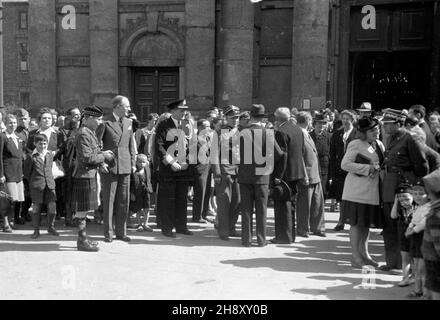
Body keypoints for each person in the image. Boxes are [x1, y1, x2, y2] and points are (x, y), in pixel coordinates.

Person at [380, 109, 429, 272]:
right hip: (389, 186)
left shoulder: (410, 139)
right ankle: (391, 262)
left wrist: (412, 186)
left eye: (388, 124)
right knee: (389, 225)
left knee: (403, 225)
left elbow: (422, 166)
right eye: (384, 124)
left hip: (403, 188)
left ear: (399, 124)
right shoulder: (392, 139)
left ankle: (404, 265)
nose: (385, 127)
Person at [341, 117, 385, 268]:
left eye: (377, 129)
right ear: (364, 132)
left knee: (365, 224)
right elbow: (345, 164)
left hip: (372, 192)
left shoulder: (379, 144)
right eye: (373, 130)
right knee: (355, 224)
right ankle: (354, 256)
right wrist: (368, 169)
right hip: (356, 191)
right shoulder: (355, 144)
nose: (376, 132)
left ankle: (365, 254)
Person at [238, 104, 283, 247]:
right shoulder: (267, 133)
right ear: (263, 118)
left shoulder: (242, 132)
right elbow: (279, 154)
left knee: (246, 209)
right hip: (262, 176)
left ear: (251, 117)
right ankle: (261, 239)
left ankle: (246, 239)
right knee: (261, 209)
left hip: (245, 175)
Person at [71, 106, 114, 251]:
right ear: (89, 118)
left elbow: (92, 152)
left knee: (84, 209)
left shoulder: (89, 132)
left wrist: (101, 157)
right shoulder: (84, 133)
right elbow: (87, 157)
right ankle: (81, 240)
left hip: (88, 174)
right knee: (82, 210)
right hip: (84, 175)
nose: (100, 122)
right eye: (98, 119)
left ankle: (83, 238)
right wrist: (104, 156)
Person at [96, 95, 136, 243]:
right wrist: (101, 163)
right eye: (127, 106)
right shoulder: (105, 123)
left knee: (123, 201)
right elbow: (97, 145)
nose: (129, 109)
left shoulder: (129, 122)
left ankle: (121, 232)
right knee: (109, 201)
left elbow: (131, 145)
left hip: (125, 166)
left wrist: (132, 162)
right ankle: (108, 233)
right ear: (118, 106)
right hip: (110, 167)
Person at [155, 99, 193, 238]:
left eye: (185, 110)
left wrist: (188, 161)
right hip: (169, 169)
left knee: (182, 199)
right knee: (169, 199)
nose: (184, 112)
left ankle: (181, 226)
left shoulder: (186, 124)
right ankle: (167, 228)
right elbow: (159, 146)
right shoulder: (164, 124)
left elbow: (191, 145)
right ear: (173, 111)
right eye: (181, 110)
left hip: (184, 168)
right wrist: (171, 162)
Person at [271, 107, 307, 244]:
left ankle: (283, 236)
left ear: (277, 118)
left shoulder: (281, 132)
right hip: (296, 172)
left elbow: (282, 156)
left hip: (285, 173)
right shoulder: (297, 129)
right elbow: (302, 150)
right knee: (291, 204)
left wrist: (278, 176)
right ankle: (290, 235)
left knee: (282, 205)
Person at [212, 106, 242, 240]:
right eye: (233, 118)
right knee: (224, 202)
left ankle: (232, 227)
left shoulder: (239, 132)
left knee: (236, 201)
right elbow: (214, 154)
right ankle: (223, 230)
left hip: (238, 171)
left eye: (237, 118)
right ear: (226, 118)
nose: (235, 120)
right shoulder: (219, 133)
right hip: (224, 172)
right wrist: (217, 173)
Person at [296, 111, 326, 237]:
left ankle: (317, 227)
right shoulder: (300, 135)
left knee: (318, 202)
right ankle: (303, 228)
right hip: (307, 174)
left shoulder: (307, 134)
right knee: (304, 204)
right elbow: (299, 157)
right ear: (308, 121)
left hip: (315, 173)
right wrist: (304, 174)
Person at [24, 134, 59, 239]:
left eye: (45, 144)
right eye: (40, 144)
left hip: (50, 184)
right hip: (37, 185)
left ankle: (50, 227)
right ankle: (36, 230)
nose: (43, 146)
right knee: (36, 207)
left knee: (52, 206)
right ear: (35, 144)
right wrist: (34, 182)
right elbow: (26, 173)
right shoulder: (31, 157)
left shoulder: (49, 155)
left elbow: (50, 168)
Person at [329, 109, 358, 231]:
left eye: (347, 119)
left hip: (353, 169)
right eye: (343, 119)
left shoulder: (357, 134)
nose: (345, 121)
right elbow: (332, 153)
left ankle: (353, 221)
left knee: (353, 197)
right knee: (341, 196)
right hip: (340, 169)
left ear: (352, 120)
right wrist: (332, 172)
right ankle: (341, 221)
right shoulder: (337, 134)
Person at [404, 180, 430, 298]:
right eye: (415, 194)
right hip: (416, 239)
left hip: (425, 238)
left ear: (428, 194)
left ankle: (426, 293)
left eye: (421, 193)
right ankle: (417, 290)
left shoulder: (429, 207)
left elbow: (424, 222)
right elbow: (413, 220)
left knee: (423, 268)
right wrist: (409, 228)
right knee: (416, 267)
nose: (417, 196)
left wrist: (413, 230)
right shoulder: (418, 207)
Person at [0, 114, 25, 233]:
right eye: (10, 122)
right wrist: (1, 174)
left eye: (14, 122)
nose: (13, 125)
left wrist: (22, 172)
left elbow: (20, 157)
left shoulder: (18, 136)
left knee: (15, 200)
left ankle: (10, 221)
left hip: (18, 172)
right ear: (5, 123)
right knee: (7, 199)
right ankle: (5, 223)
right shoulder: (2, 137)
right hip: (7, 172)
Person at [57, 107, 82, 227]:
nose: (78, 117)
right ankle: (68, 217)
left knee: (79, 192)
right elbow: (61, 150)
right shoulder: (63, 132)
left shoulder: (83, 130)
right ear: (68, 118)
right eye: (75, 115)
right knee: (69, 192)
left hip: (81, 165)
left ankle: (79, 216)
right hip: (70, 166)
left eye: (79, 115)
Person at [391, 183, 417, 286]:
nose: (404, 202)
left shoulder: (418, 208)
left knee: (414, 259)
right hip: (403, 238)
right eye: (401, 200)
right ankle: (405, 278)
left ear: (413, 197)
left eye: (406, 199)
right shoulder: (401, 210)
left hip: (415, 238)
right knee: (405, 259)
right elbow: (393, 216)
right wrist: (396, 202)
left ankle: (414, 277)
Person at [421, 169, 440, 300]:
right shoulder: (436, 212)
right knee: (434, 285)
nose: (427, 196)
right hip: (433, 256)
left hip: (433, 256)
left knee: (434, 285)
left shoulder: (435, 212)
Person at [191, 119, 214, 224]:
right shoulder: (194, 139)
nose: (208, 129)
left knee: (207, 192)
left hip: (208, 169)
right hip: (199, 169)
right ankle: (197, 216)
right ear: (199, 127)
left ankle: (204, 214)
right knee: (200, 193)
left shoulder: (208, 138)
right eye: (206, 126)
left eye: (209, 126)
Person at [130, 153, 154, 232]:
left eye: (143, 162)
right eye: (140, 162)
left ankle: (146, 223)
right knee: (138, 209)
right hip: (137, 192)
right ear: (136, 162)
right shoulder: (134, 171)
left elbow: (150, 180)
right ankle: (139, 224)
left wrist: (151, 189)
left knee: (147, 208)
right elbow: (131, 183)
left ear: (146, 162)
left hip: (146, 191)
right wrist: (131, 193)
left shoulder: (148, 169)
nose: (141, 164)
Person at [310, 113, 331, 197]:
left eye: (323, 123)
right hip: (312, 165)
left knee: (322, 189)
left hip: (324, 166)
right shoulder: (309, 136)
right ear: (314, 124)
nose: (321, 125)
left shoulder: (328, 136)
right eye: (319, 123)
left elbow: (330, 153)